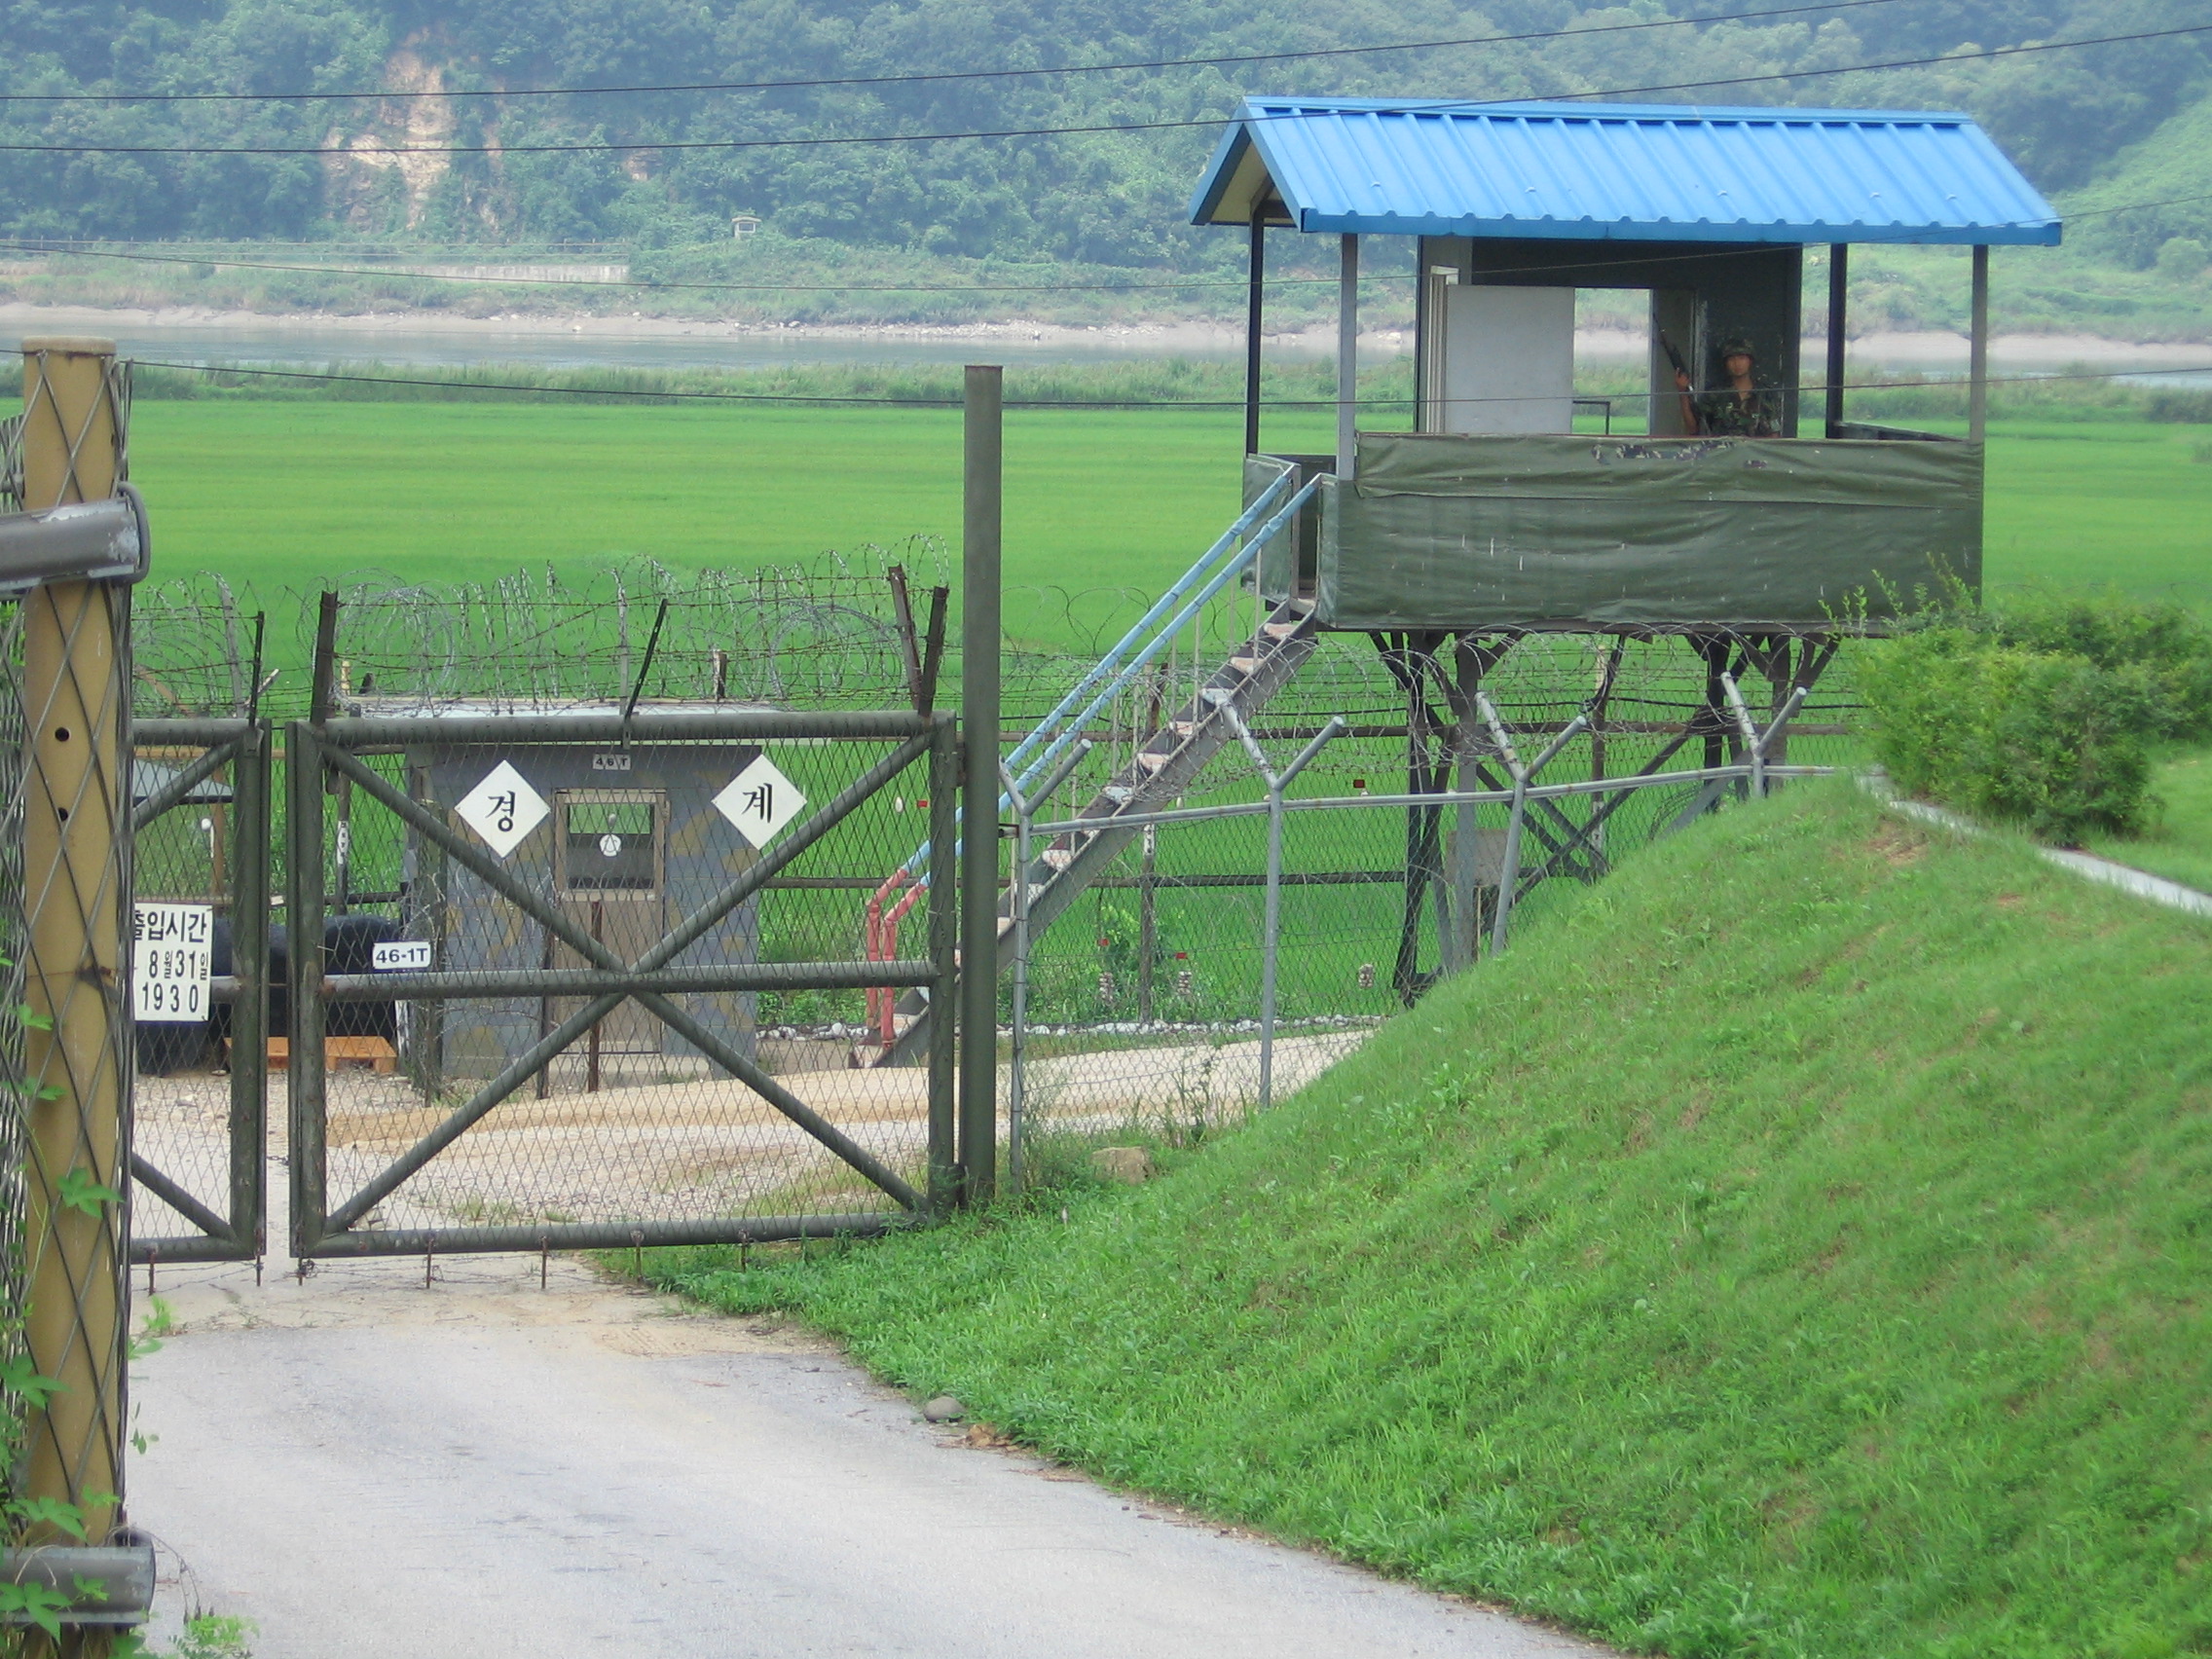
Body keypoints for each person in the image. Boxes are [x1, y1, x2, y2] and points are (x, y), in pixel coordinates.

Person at [1675, 338, 1785, 437]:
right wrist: (1682, 392)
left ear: (1750, 361)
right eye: (1731, 359)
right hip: (1724, 456)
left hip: (1755, 457)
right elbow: (1693, 428)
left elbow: (1774, 434)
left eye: (1741, 358)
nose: (1737, 363)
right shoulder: (1716, 394)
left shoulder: (1765, 393)